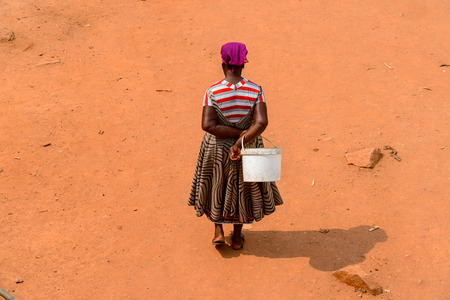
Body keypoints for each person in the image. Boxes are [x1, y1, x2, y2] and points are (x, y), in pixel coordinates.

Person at [188, 42, 283, 250]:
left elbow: (208, 125)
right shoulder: (255, 90)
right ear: (243, 65)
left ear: (223, 63)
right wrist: (241, 139)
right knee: (244, 190)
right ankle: (238, 237)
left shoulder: (212, 91)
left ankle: (218, 231)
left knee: (215, 186)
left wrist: (231, 136)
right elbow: (261, 122)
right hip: (248, 147)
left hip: (216, 147)